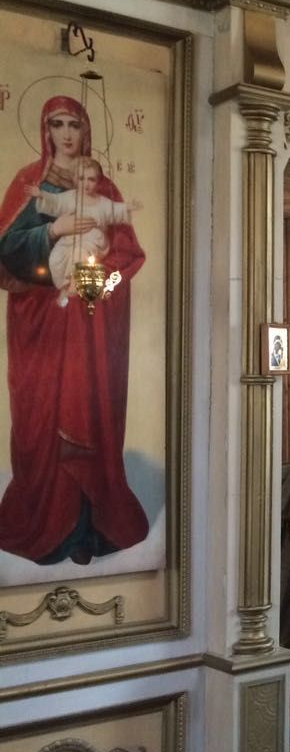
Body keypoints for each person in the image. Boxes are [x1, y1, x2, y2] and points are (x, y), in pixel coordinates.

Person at [0, 95, 148, 566]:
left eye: (74, 125)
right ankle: (47, 526)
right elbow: (6, 250)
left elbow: (128, 254)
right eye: (57, 124)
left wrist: (98, 281)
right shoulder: (29, 183)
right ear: (45, 131)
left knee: (92, 412)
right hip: (40, 324)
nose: (66, 134)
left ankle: (91, 529)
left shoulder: (105, 189)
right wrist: (52, 231)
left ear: (86, 131)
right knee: (40, 416)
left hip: (90, 326)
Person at [28, 155, 142, 307]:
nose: (86, 184)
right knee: (55, 259)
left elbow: (115, 210)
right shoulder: (69, 197)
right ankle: (64, 286)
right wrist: (41, 195)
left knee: (80, 254)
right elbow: (55, 202)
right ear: (75, 179)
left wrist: (128, 207)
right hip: (70, 238)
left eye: (91, 179)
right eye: (82, 179)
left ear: (97, 181)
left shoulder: (102, 202)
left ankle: (74, 285)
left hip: (93, 240)